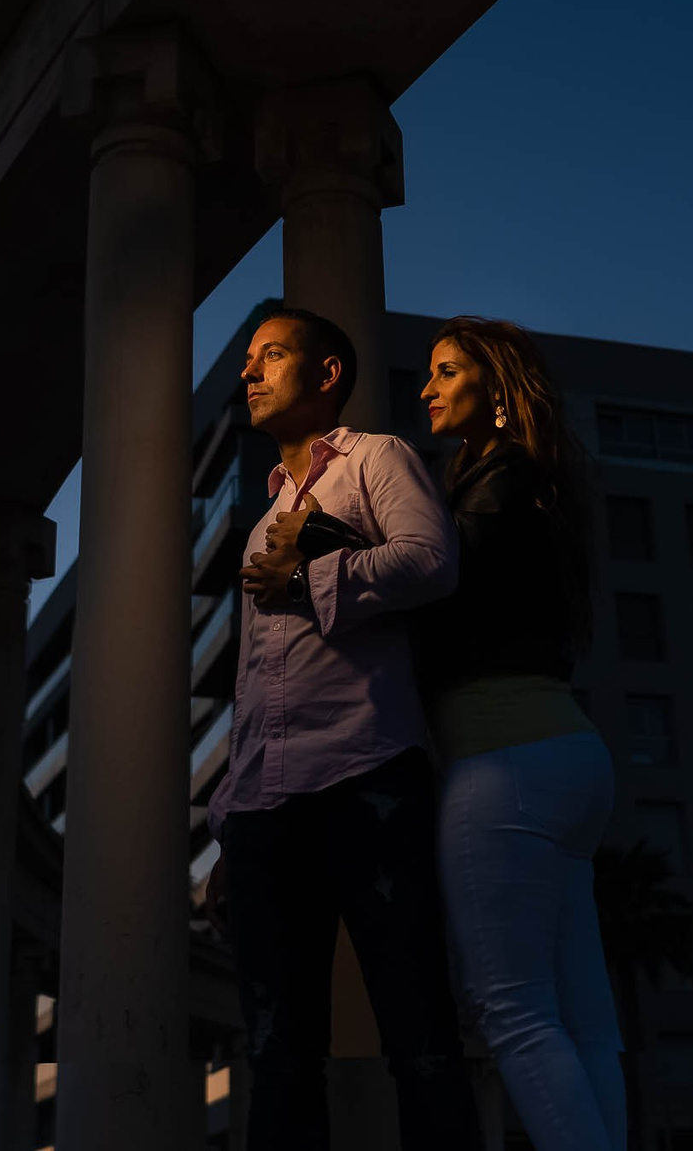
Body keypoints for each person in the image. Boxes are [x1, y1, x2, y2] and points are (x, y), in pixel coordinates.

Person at [209, 305, 484, 1151]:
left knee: (421, 1037)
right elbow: (256, 691)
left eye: (272, 355)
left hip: (369, 782)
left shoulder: (376, 458)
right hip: (265, 813)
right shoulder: (259, 524)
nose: (249, 373)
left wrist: (315, 575)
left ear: (326, 374)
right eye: (248, 360)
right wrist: (229, 823)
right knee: (278, 1055)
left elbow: (432, 559)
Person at [409, 316, 625, 1151]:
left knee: (515, 1013)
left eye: (446, 370)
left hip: (505, 765)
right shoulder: (535, 479)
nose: (427, 387)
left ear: (494, 389)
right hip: (568, 759)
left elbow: (432, 582)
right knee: (584, 1020)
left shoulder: (493, 486)